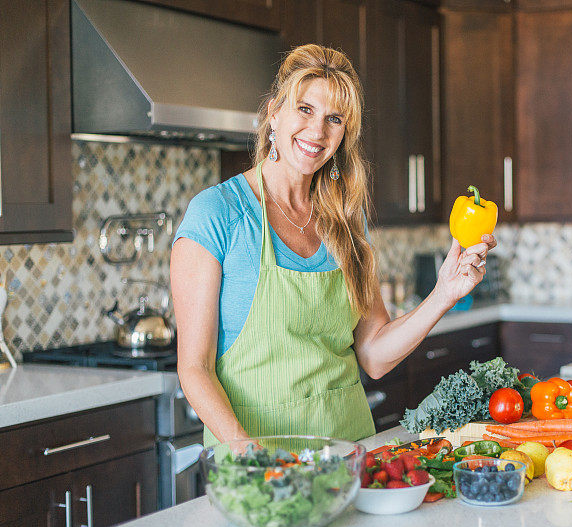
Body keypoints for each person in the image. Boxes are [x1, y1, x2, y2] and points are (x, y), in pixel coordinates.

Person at [170, 44, 497, 447]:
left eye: (334, 119)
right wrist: (248, 453)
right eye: (304, 109)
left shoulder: (345, 219)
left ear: (344, 135)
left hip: (350, 454)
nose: (318, 131)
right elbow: (194, 369)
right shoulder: (217, 215)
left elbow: (374, 355)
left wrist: (444, 293)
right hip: (259, 467)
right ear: (274, 113)